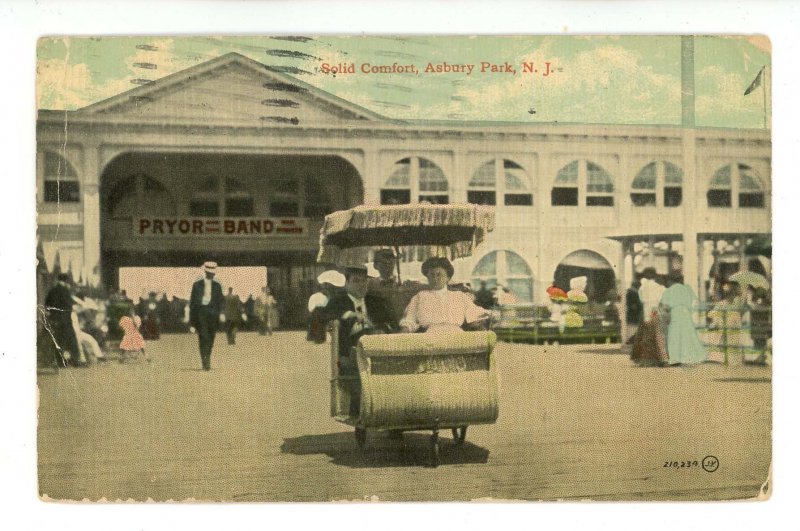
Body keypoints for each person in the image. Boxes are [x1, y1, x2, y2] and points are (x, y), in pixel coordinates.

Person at [321, 266, 398, 415]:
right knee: (360, 364)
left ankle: (393, 411)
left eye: (364, 281)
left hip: (378, 346)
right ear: (347, 283)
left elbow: (391, 323)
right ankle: (358, 407)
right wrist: (349, 315)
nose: (361, 285)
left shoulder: (377, 301)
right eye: (356, 281)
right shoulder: (338, 301)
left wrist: (381, 328)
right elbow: (324, 317)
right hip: (350, 349)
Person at [400, 257, 490, 334]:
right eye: (431, 275)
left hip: (458, 337)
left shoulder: (460, 296)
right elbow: (409, 321)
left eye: (439, 275)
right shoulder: (420, 297)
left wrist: (480, 323)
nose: (435, 278)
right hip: (430, 338)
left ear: (448, 278)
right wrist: (403, 333)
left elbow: (475, 317)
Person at [659, 273, 706, 365]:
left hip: (675, 312)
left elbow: (664, 305)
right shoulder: (687, 289)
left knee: (675, 334)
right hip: (686, 313)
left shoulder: (669, 290)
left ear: (670, 280)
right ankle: (689, 356)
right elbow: (695, 302)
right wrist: (690, 311)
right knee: (688, 334)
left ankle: (676, 357)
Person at [189, 261, 224, 371]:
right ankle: (206, 362)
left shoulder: (217, 286)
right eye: (209, 273)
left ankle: (207, 357)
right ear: (205, 272)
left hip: (213, 314)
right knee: (203, 337)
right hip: (201, 313)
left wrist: (222, 313)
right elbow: (192, 304)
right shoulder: (197, 285)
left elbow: (221, 301)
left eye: (212, 273)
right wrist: (191, 322)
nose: (211, 275)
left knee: (211, 338)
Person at [630, 268, 668, 366]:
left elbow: (641, 299)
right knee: (657, 333)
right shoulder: (660, 287)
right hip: (655, 310)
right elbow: (662, 299)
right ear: (655, 276)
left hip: (645, 310)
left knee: (644, 335)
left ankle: (645, 358)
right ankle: (661, 357)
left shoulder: (642, 288)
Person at [44, 273, 81, 367]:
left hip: (56, 320)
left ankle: (60, 362)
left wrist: (52, 315)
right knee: (71, 340)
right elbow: (69, 305)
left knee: (59, 341)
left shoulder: (52, 290)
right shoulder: (65, 291)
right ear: (66, 281)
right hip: (66, 320)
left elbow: (47, 305)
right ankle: (75, 361)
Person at [307, 270, 345, 343]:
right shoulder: (326, 295)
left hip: (327, 312)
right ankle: (319, 337)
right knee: (319, 317)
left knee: (318, 318)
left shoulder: (331, 295)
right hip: (325, 312)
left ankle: (317, 337)